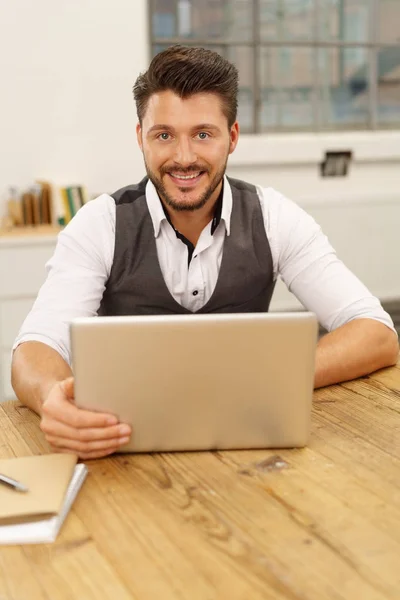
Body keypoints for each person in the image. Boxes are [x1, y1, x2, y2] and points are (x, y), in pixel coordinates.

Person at [11, 45, 398, 460]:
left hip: (248, 445)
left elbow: (376, 333)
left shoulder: (274, 217)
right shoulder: (99, 223)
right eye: (164, 135)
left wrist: (273, 379)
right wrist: (53, 395)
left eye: (202, 134)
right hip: (124, 448)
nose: (183, 158)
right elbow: (34, 349)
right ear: (140, 137)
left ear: (231, 137)